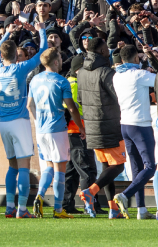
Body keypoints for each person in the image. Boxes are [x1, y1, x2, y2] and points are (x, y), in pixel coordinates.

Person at [0, 29, 44, 219]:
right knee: (23, 166)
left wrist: (6, 34)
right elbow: (43, 50)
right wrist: (41, 30)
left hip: (3, 122)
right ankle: (22, 209)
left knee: (12, 166)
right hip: (19, 121)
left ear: (2, 55)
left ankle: (9, 207)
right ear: (16, 54)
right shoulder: (20, 68)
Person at [27, 47, 84, 219]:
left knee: (49, 166)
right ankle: (58, 209)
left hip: (41, 130)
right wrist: (81, 127)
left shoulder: (35, 80)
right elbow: (72, 107)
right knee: (60, 168)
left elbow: (30, 105)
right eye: (60, 57)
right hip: (57, 129)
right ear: (56, 61)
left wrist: (39, 122)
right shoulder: (61, 81)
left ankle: (40, 195)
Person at [77, 32, 126, 219]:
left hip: (91, 125)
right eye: (106, 47)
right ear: (101, 50)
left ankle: (113, 209)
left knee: (107, 167)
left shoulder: (81, 72)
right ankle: (92, 190)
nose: (108, 50)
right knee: (119, 166)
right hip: (109, 124)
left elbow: (80, 99)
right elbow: (118, 96)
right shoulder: (107, 72)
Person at [111, 46, 157, 220]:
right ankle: (125, 195)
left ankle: (141, 210)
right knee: (150, 167)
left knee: (138, 168)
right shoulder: (139, 75)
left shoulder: (117, 75)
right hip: (141, 125)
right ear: (136, 59)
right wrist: (151, 57)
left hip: (126, 125)